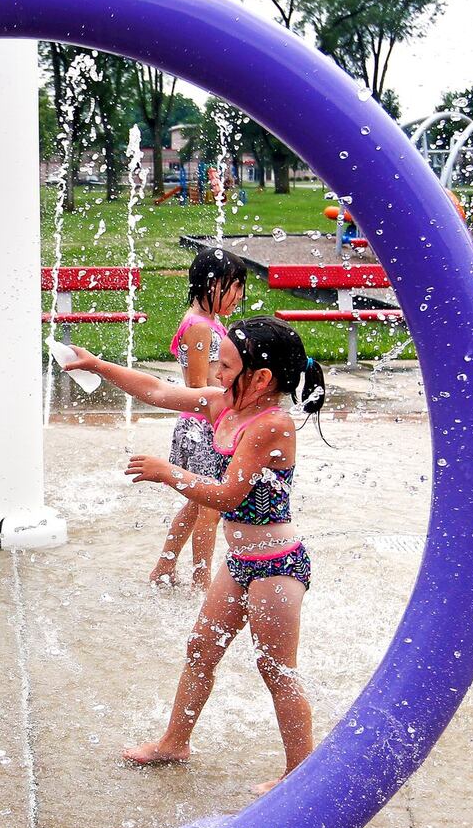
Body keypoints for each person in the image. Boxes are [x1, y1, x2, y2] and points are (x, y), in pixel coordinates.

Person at [61, 317, 326, 794]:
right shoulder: (224, 404)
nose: (215, 373)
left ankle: (300, 774)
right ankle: (174, 742)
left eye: (226, 365)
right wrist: (98, 365)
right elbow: (159, 392)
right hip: (242, 563)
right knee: (201, 650)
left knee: (276, 669)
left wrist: (168, 473)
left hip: (277, 567)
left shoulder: (272, 425)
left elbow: (226, 496)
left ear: (261, 377)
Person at [151, 246, 246, 589]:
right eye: (232, 286)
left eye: (239, 287)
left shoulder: (210, 322)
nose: (238, 295)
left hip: (209, 423)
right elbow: (195, 386)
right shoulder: (198, 327)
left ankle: (164, 566)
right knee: (210, 505)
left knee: (196, 503)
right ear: (210, 284)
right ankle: (202, 579)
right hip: (203, 427)